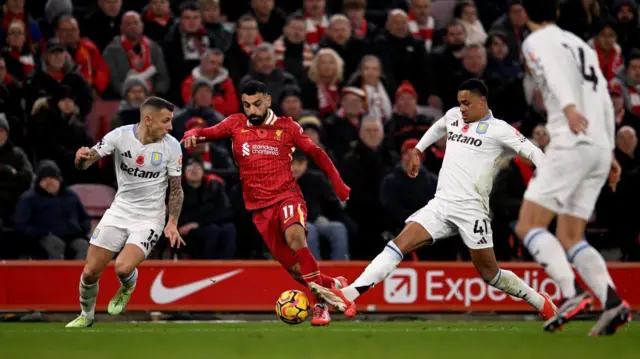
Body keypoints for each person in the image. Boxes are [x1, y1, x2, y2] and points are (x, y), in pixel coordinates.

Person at [309, 79, 557, 322]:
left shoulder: (499, 129)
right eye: (460, 103)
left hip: (472, 211)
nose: (462, 109)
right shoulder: (454, 116)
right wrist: (419, 149)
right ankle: (350, 294)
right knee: (397, 245)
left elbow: (534, 153)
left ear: (482, 102)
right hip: (441, 204)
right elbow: (439, 126)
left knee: (490, 273)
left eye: (467, 103)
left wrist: (552, 182)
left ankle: (538, 300)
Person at [182, 80, 351, 326]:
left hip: (287, 197)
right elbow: (206, 133)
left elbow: (316, 153)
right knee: (295, 270)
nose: (252, 110)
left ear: (268, 101)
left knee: (296, 238)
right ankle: (333, 284)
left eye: (257, 104)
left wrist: (338, 184)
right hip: (260, 209)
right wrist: (192, 133)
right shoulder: (235, 124)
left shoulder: (287, 127)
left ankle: (320, 305)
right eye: (247, 105)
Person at [516, 0, 630, 336]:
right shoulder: (581, 45)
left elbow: (550, 72)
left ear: (526, 13)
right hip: (596, 145)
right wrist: (609, 151)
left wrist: (566, 108)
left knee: (528, 225)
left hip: (571, 139)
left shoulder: (536, 41)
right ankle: (612, 303)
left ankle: (570, 294)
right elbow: (605, 97)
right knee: (569, 234)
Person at [66, 97, 185, 328]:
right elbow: (85, 163)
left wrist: (172, 222)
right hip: (119, 211)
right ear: (148, 120)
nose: (170, 127)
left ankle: (128, 285)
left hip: (150, 218)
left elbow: (177, 189)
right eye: (166, 121)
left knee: (122, 267)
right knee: (90, 272)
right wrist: (80, 159)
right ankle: (86, 315)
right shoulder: (119, 136)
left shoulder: (171, 146)